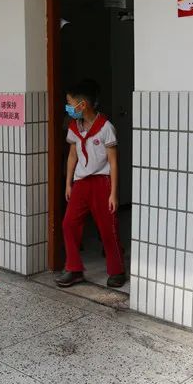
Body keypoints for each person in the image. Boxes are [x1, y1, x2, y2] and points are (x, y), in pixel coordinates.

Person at [55, 79, 127, 289]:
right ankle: (74, 269)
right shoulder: (73, 127)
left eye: (69, 103)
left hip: (102, 183)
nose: (67, 107)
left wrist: (114, 193)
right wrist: (69, 184)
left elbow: (113, 162)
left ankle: (116, 270)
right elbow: (72, 156)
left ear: (82, 105)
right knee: (69, 224)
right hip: (81, 183)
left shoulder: (106, 128)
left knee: (107, 228)